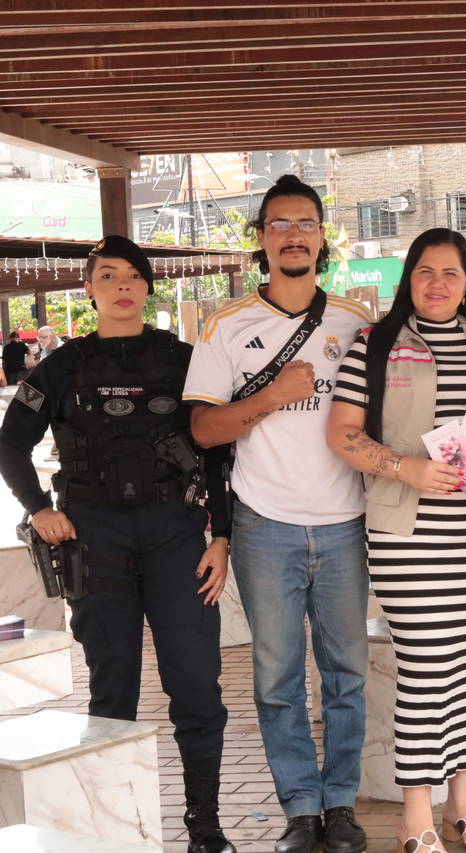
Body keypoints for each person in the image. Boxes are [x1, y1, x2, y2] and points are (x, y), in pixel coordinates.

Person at [0, 236, 235, 853]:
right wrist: (40, 510)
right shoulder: (61, 367)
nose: (123, 285)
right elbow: (9, 443)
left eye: (134, 276)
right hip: (94, 537)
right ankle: (115, 830)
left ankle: (204, 826)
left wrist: (223, 535)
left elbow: (217, 450)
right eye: (109, 276)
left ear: (148, 287)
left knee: (195, 684)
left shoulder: (186, 359)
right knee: (112, 687)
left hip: (176, 536)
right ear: (90, 288)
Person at [182, 175, 374, 853]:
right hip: (265, 525)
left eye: (307, 223)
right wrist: (269, 397)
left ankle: (342, 805)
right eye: (280, 224)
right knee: (277, 677)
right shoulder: (226, 326)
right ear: (261, 239)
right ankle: (300, 807)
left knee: (347, 672)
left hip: (347, 521)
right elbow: (203, 430)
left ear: (324, 237)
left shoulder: (357, 321)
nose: (294, 235)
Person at [325, 228, 466, 853]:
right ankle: (417, 816)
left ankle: (465, 805)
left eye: (451, 273)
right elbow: (342, 433)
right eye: (425, 273)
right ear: (408, 279)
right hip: (409, 536)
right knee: (427, 670)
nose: (437, 284)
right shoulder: (375, 345)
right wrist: (405, 467)